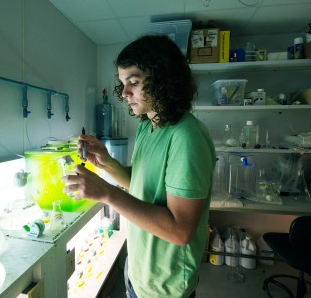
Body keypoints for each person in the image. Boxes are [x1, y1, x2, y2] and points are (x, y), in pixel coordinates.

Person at [63, 34, 215, 298]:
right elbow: (142, 184)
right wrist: (106, 163)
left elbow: (180, 231)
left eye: (133, 82)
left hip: (165, 288)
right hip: (139, 274)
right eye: (123, 84)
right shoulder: (149, 126)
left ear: (163, 80)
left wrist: (107, 193)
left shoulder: (186, 137)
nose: (124, 93)